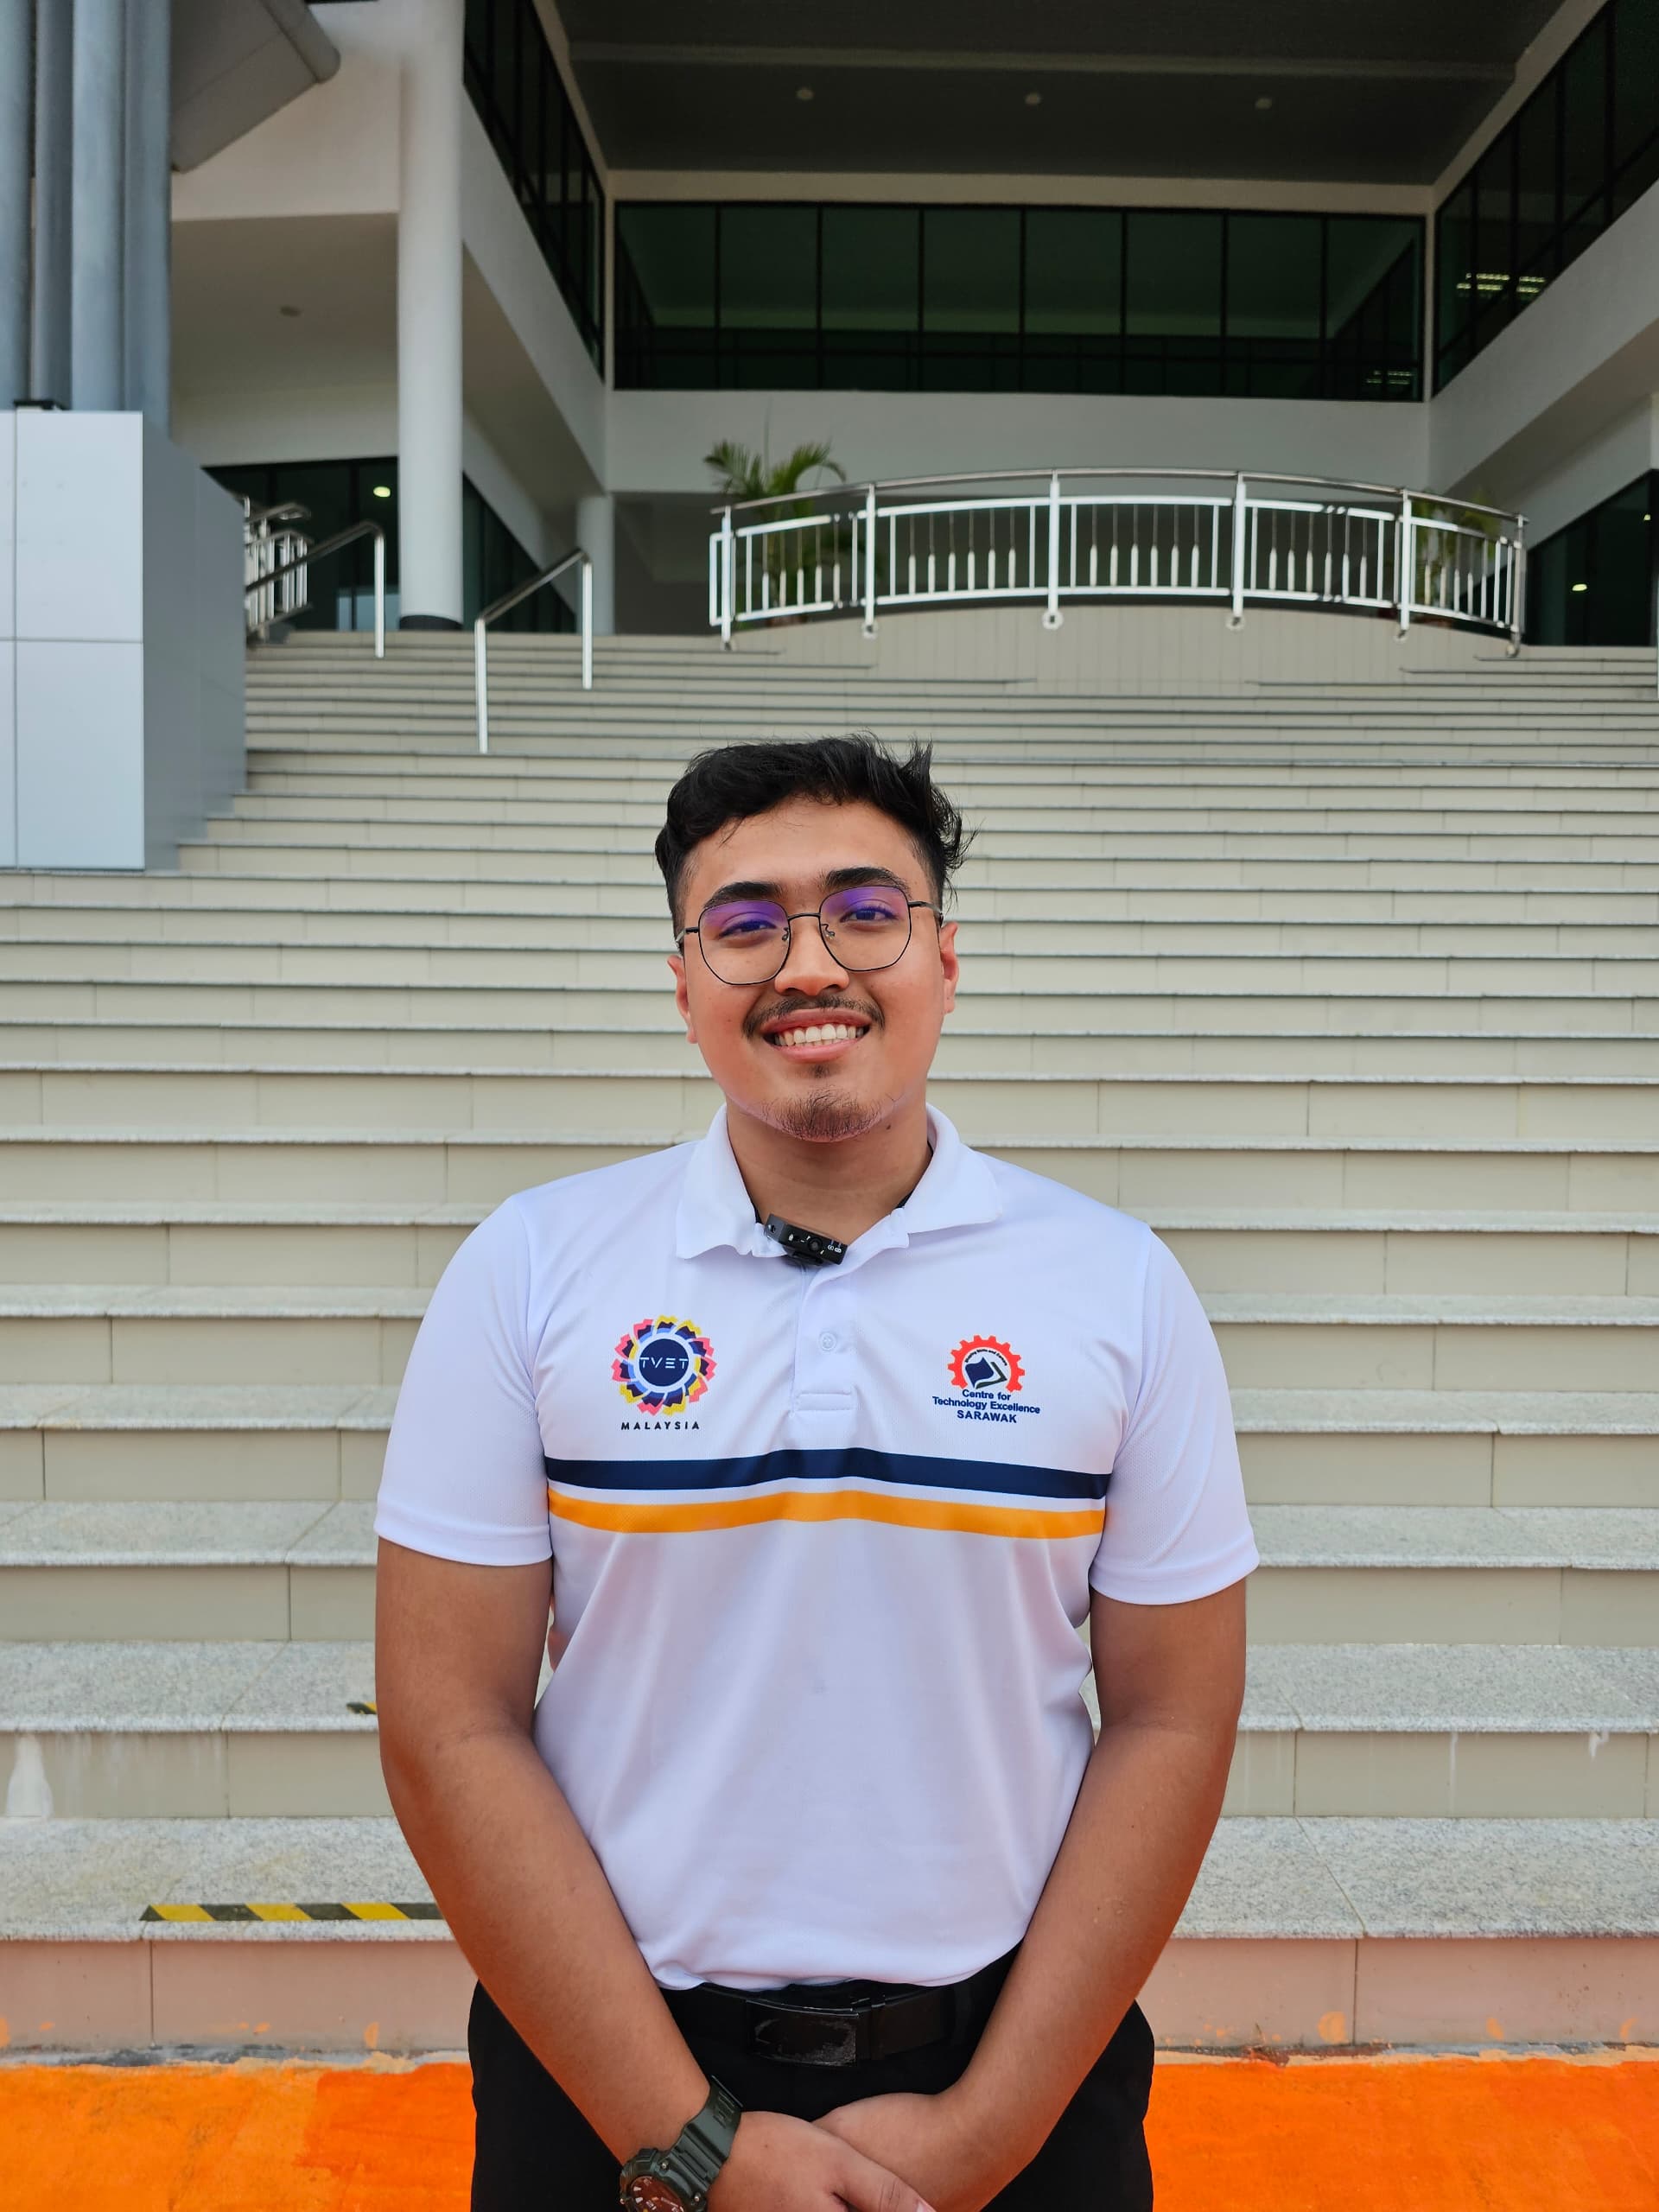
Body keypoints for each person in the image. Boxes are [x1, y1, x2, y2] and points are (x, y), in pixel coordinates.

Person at [374, 734, 1257, 2212]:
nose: (808, 964)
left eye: (865, 911)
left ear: (945, 961)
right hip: (609, 2080)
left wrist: (990, 2129)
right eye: (744, 925)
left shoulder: (1119, 1285)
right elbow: (447, 1724)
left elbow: (1173, 1715)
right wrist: (689, 2139)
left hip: (1018, 2074)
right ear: (683, 984)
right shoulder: (527, 1270)